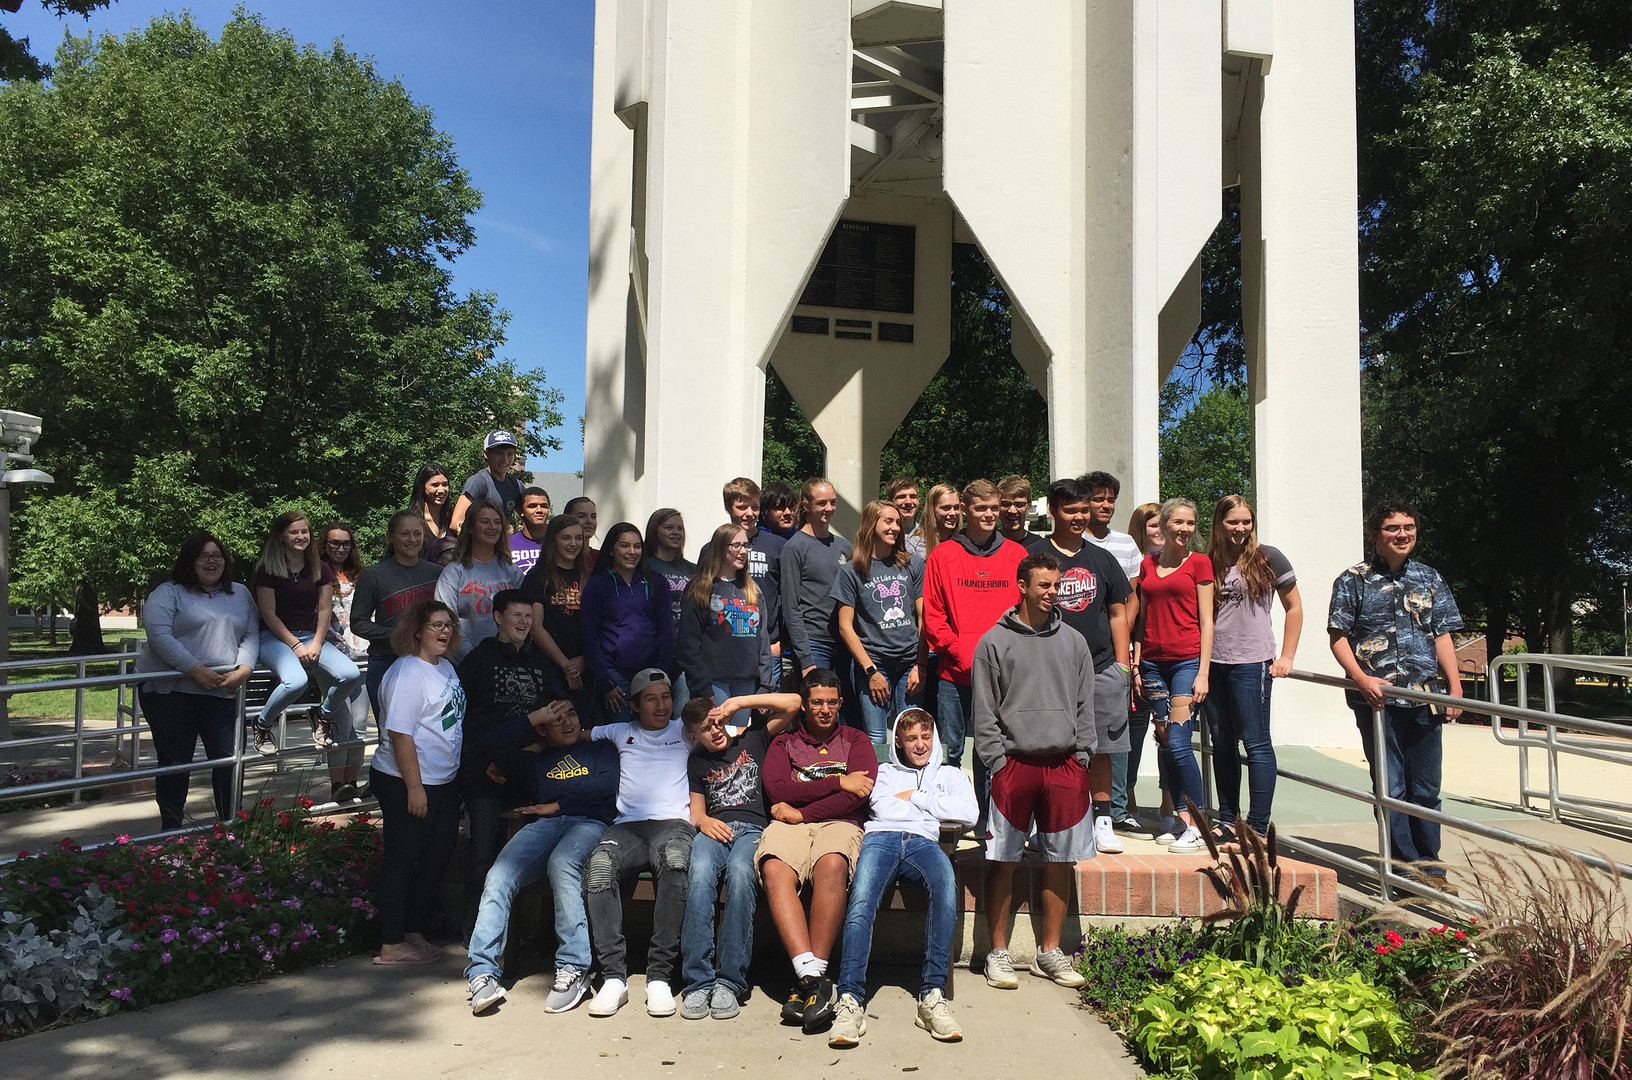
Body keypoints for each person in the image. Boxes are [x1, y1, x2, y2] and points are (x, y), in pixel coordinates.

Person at [972, 553, 1094, 990]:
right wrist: (996, 759)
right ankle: (998, 952)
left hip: (1065, 765)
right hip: (1013, 765)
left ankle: (1050, 952)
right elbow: (983, 709)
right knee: (1002, 859)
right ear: (1021, 586)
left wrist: (1083, 756)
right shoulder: (993, 642)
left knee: (1060, 861)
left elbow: (1085, 703)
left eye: (1055, 585)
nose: (1051, 592)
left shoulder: (1075, 642)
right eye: (1043, 585)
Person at [1328, 499, 1464, 893]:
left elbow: (1442, 634)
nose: (1403, 534)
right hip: (1378, 701)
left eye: (1409, 527)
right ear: (1375, 534)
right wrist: (1361, 679)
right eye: (1393, 528)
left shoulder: (1430, 578)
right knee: (1391, 786)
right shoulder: (1353, 580)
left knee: (1426, 787)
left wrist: (1455, 689)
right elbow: (1337, 637)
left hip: (1425, 698)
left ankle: (1430, 868)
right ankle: (1403, 869)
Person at [828, 707, 975, 1048]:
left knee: (945, 888)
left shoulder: (951, 775)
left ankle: (932, 996)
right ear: (899, 741)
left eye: (925, 737)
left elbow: (968, 813)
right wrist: (936, 806)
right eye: (911, 739)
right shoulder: (885, 772)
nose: (920, 745)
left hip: (925, 842)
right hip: (881, 839)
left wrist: (917, 797)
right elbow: (882, 808)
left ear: (934, 738)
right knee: (862, 898)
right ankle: (850, 1000)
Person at [463, 697, 615, 1015]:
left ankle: (574, 967)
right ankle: (481, 973)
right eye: (557, 719)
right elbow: (489, 743)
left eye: (572, 714)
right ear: (543, 730)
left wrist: (558, 805)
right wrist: (533, 719)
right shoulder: (534, 762)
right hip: (544, 825)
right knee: (498, 876)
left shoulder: (599, 750)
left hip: (590, 823)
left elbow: (605, 787)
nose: (568, 722)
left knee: (562, 864)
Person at [756, 669, 880, 1034]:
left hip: (839, 823)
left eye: (831, 702)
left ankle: (808, 981)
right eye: (816, 703)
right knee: (775, 866)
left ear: (841, 703)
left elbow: (858, 795)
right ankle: (814, 981)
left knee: (832, 864)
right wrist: (837, 780)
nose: (824, 709)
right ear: (804, 707)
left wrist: (804, 809)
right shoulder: (785, 744)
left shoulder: (855, 739)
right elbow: (778, 789)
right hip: (789, 824)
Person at [677, 693, 796, 1020]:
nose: (716, 731)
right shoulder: (697, 761)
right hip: (714, 830)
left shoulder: (753, 737)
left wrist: (738, 703)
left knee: (742, 876)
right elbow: (697, 813)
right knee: (699, 874)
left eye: (718, 723)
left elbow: (794, 703)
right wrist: (703, 821)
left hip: (753, 831)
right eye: (706, 728)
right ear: (693, 736)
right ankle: (698, 981)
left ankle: (730, 980)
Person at [583, 670, 694, 1018]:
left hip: (674, 824)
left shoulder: (685, 731)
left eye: (666, 697)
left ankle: (659, 977)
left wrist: (734, 707)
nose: (661, 706)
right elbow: (574, 734)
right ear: (634, 706)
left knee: (675, 862)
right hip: (628, 828)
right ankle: (613, 977)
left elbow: (736, 732)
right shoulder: (621, 732)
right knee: (599, 868)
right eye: (651, 699)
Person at [135, 533, 257, 831]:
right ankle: (172, 829)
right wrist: (195, 669)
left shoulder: (240, 594)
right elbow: (159, 636)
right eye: (204, 556)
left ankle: (231, 826)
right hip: (171, 693)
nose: (212, 561)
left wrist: (244, 668)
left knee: (229, 760)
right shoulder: (167, 593)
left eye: (218, 555)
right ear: (190, 561)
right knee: (176, 762)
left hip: (223, 691)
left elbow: (251, 634)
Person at [922, 478, 1026, 826]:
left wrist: (1006, 654)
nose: (989, 515)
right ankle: (951, 818)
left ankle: (989, 821)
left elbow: (1025, 612)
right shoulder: (943, 554)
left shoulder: (1016, 555)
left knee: (993, 749)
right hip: (955, 672)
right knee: (951, 748)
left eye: (994, 508)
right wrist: (958, 650)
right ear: (965, 510)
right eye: (981, 508)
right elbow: (933, 616)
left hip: (1002, 674)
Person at [1040, 478, 1134, 856]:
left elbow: (1117, 611)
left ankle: (1103, 820)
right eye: (1070, 510)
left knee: (1103, 748)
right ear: (1053, 512)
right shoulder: (1034, 553)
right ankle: (1047, 821)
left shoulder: (1101, 558)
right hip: (1048, 670)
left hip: (1101, 667)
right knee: (1046, 747)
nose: (1079, 516)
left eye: (1083, 509)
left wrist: (1124, 667)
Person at [371, 599, 467, 965]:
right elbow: (401, 735)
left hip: (443, 780)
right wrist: (415, 788)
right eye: (436, 625)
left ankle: (414, 931)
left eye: (449, 625)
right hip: (405, 781)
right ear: (416, 631)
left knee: (436, 857)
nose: (444, 632)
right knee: (403, 857)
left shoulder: (446, 669)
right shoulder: (407, 672)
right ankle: (391, 943)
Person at [454, 589, 554, 940]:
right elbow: (465, 720)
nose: (524, 623)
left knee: (525, 857)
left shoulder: (541, 662)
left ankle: (521, 934)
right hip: (485, 772)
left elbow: (557, 712)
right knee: (483, 854)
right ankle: (475, 930)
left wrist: (538, 745)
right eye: (517, 616)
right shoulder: (479, 659)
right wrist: (484, 761)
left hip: (526, 770)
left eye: (529, 617)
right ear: (498, 617)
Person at [1207, 495, 1303, 840]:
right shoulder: (1209, 560)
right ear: (1220, 523)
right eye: (1234, 521)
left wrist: (1287, 656)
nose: (1241, 528)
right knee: (1222, 742)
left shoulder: (1268, 557)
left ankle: (1258, 827)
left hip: (1252, 662)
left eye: (1246, 521)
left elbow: (1294, 607)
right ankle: (1227, 820)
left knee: (1257, 743)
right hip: (1213, 662)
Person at [1133, 498, 1214, 853]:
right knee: (1164, 742)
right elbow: (1142, 619)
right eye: (1178, 522)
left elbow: (1207, 621)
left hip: (1185, 663)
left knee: (1180, 743)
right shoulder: (1147, 566)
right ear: (1163, 525)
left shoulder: (1199, 563)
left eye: (1191, 523)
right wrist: (1136, 664)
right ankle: (1176, 818)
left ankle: (1196, 824)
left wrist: (1203, 672)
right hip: (1152, 663)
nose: (1184, 529)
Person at [252, 510, 363, 757]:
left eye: (305, 531)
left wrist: (316, 643)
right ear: (281, 536)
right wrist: (295, 646)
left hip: (311, 636)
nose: (301, 536)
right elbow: (269, 614)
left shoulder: (320, 568)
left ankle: (321, 715)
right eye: (294, 532)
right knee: (297, 682)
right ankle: (261, 725)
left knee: (349, 674)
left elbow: (325, 610)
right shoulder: (268, 569)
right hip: (275, 637)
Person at [832, 500, 924, 742]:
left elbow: (924, 616)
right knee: (876, 737)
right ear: (871, 525)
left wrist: (920, 665)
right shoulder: (852, 570)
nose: (895, 527)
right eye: (888, 521)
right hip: (874, 664)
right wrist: (870, 671)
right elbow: (845, 626)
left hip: (909, 664)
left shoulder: (911, 563)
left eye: (898, 522)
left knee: (910, 735)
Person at [351, 511, 442, 724]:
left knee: (429, 732)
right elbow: (358, 623)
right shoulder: (373, 575)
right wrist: (397, 635)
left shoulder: (438, 573)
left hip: (430, 662)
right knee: (391, 735)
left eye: (417, 534)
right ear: (391, 537)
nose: (412, 540)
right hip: (387, 661)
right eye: (405, 534)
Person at [1111, 502, 1169, 834]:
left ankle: (1168, 801)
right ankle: (1127, 798)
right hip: (1135, 660)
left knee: (1167, 736)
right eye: (1152, 525)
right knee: (1131, 735)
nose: (1159, 530)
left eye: (1164, 523)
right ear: (1139, 528)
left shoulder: (1180, 565)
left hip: (1168, 661)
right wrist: (1131, 663)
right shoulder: (1137, 568)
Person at [581, 522, 676, 725]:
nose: (632, 552)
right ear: (612, 550)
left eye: (637, 546)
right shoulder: (597, 585)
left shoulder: (656, 582)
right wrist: (605, 682)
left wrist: (661, 673)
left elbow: (666, 631)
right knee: (623, 734)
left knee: (654, 729)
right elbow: (589, 635)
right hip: (615, 674)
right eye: (624, 546)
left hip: (652, 672)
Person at [676, 523, 775, 705]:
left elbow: (762, 641)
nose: (743, 551)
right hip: (713, 683)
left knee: (737, 734)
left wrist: (766, 685)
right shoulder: (700, 588)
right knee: (716, 733)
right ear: (720, 548)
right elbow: (688, 644)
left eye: (746, 545)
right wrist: (702, 687)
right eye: (736, 545)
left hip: (746, 683)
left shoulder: (753, 590)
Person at [702, 478, 787, 670]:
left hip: (767, 647)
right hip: (722, 648)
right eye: (742, 507)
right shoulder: (711, 549)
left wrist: (782, 642)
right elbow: (701, 598)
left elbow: (788, 599)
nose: (749, 514)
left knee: (765, 700)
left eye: (755, 507)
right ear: (727, 507)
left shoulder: (777, 546)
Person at [520, 514, 594, 719]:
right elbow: (535, 626)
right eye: (566, 538)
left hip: (585, 664)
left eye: (578, 538)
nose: (573, 544)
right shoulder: (538, 576)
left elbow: (597, 624)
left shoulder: (588, 576)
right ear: (554, 540)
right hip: (550, 666)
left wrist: (583, 661)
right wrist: (567, 666)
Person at [781, 478, 854, 681]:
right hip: (814, 644)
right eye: (822, 503)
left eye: (833, 502)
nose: (829, 508)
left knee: (844, 710)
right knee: (819, 708)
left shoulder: (844, 547)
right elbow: (791, 605)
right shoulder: (795, 548)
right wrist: (805, 658)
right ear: (806, 505)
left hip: (844, 643)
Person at [435, 498, 524, 663]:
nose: (492, 527)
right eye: (485, 522)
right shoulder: (453, 573)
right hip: (471, 665)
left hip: (511, 661)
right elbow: (447, 624)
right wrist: (478, 662)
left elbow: (528, 612)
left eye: (497, 522)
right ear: (470, 528)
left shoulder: (510, 569)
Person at [321, 522, 370, 804]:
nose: (340, 548)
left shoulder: (360, 576)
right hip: (333, 656)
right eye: (334, 543)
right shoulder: (317, 575)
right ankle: (337, 785)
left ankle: (352, 782)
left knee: (360, 724)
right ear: (324, 546)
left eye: (346, 543)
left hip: (363, 652)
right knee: (341, 723)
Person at [645, 507, 698, 707]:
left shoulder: (693, 569)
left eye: (680, 528)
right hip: (654, 652)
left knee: (682, 714)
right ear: (655, 531)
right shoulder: (644, 566)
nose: (676, 532)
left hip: (686, 652)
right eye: (668, 527)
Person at [1078, 471, 1144, 583]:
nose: (1106, 506)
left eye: (1111, 500)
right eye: (1098, 499)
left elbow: (1133, 594)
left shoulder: (1127, 542)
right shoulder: (1074, 542)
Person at [452, 430, 524, 531]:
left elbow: (529, 519)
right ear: (486, 454)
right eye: (499, 453)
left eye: (510, 454)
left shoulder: (516, 485)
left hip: (502, 545)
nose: (505, 459)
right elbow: (456, 522)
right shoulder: (478, 482)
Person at [410, 463, 457, 566]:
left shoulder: (453, 520)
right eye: (435, 485)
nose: (441, 490)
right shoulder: (412, 522)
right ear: (422, 487)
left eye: (445, 484)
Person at [507, 487, 553, 576]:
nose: (539, 510)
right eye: (532, 506)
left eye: (544, 506)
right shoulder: (506, 544)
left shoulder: (558, 541)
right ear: (521, 511)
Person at [908, 482, 960, 561]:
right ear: (932, 509)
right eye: (946, 508)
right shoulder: (915, 545)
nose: (953, 513)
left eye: (956, 507)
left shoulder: (963, 541)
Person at [997, 474, 1049, 552]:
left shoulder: (1040, 547)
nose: (1012, 510)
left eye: (1019, 504)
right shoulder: (987, 545)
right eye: (1006, 504)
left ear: (1029, 506)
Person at [564, 495, 600, 560]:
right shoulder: (556, 557)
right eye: (581, 516)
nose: (589, 521)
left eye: (593, 517)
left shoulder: (600, 558)